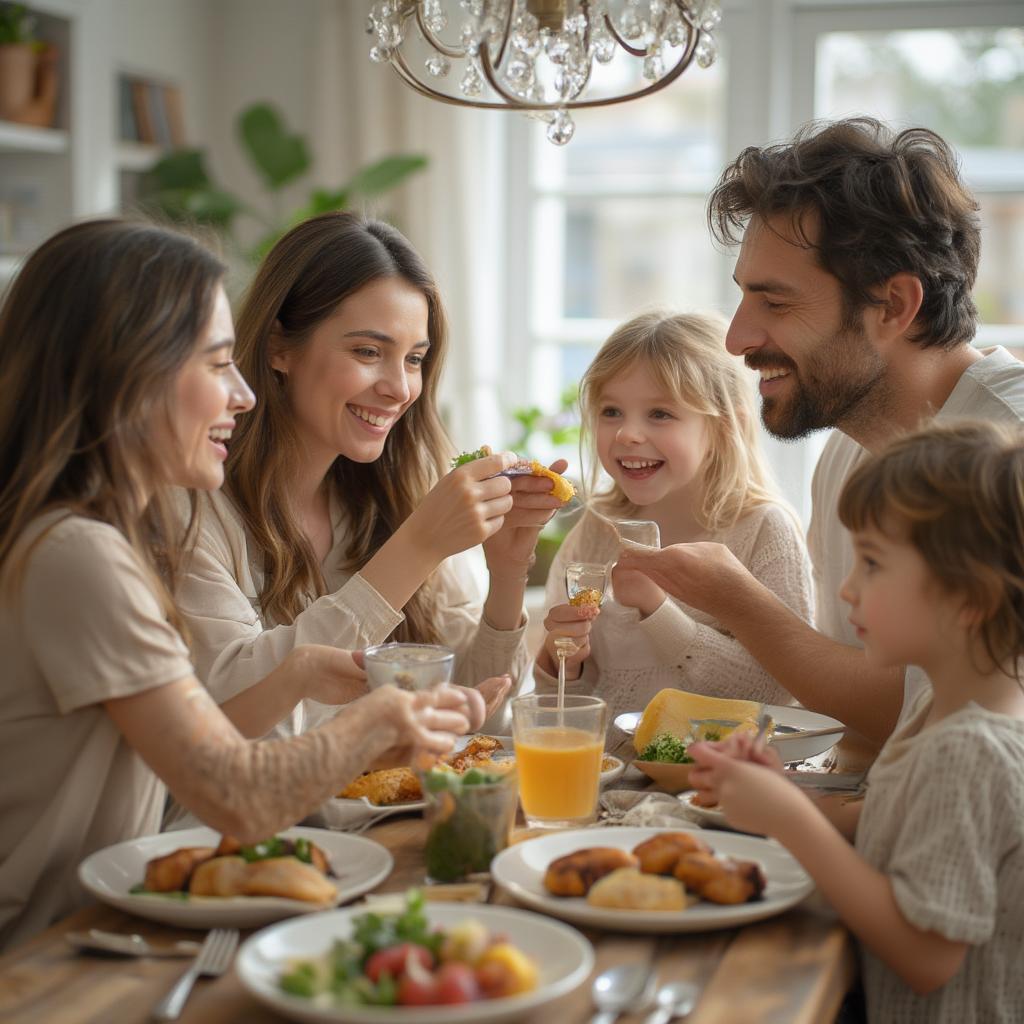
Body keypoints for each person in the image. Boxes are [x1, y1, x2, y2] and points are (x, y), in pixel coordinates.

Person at [0, 220, 477, 949]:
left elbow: (212, 743)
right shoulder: (79, 555)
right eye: (218, 364)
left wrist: (301, 674)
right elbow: (237, 793)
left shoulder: (89, 540)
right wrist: (380, 720)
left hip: (106, 931)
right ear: (129, 373)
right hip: (40, 955)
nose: (244, 394)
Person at [619, 117, 1024, 747]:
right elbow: (871, 696)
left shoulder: (1011, 455)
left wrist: (740, 601)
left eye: (775, 304)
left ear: (893, 305)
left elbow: (934, 715)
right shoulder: (847, 448)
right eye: (744, 299)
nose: (737, 339)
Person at [172, 212, 567, 742]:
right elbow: (231, 715)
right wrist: (419, 546)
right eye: (367, 352)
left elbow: (484, 719)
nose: (400, 388)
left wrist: (509, 571)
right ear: (278, 348)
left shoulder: (396, 489)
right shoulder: (194, 508)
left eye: (414, 359)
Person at [689, 420, 1024, 1024]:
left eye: (871, 563)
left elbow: (925, 956)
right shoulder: (942, 710)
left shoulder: (969, 750)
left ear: (971, 597)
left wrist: (788, 819)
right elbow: (884, 820)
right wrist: (777, 790)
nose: (846, 589)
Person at [533, 311, 811, 723]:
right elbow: (562, 711)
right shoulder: (596, 531)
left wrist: (657, 608)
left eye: (660, 414)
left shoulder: (763, 531)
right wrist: (565, 663)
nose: (627, 434)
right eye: (611, 411)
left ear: (724, 426)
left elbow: (780, 689)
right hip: (612, 779)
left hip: (716, 780)